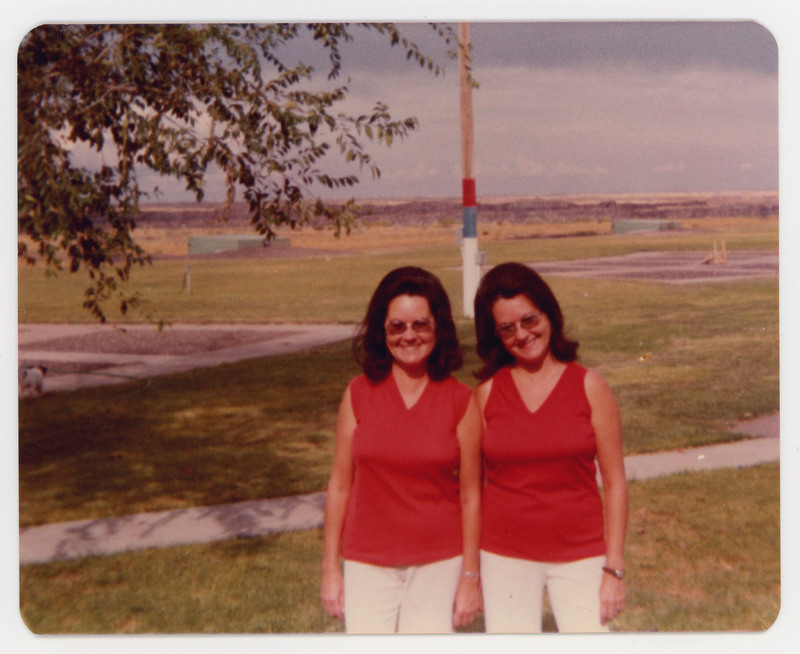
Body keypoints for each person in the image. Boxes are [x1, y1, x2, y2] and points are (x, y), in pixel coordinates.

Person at [320, 266, 483, 633]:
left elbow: (472, 496)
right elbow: (340, 486)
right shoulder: (358, 394)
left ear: (438, 327)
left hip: (439, 562)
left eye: (421, 325)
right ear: (382, 330)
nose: (409, 336)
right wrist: (331, 567)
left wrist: (470, 577)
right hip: (368, 561)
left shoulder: (461, 400)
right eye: (397, 326)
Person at [473, 262, 628, 633]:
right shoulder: (486, 395)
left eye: (529, 319)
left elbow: (616, 483)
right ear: (495, 335)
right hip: (503, 557)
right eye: (507, 328)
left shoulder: (590, 386)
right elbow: (473, 490)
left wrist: (614, 568)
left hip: (581, 555)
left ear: (549, 313)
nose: (522, 334)